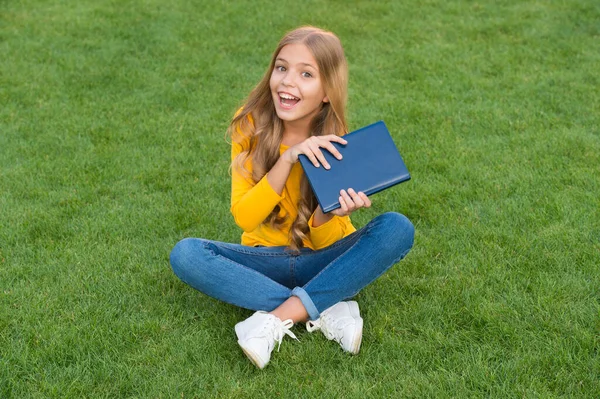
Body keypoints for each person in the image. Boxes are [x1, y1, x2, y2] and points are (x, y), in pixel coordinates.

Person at [169, 26, 414, 369]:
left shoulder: (334, 140)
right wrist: (288, 159)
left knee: (396, 228)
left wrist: (329, 214)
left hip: (320, 258)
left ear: (327, 91)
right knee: (187, 254)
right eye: (281, 68)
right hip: (264, 262)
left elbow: (327, 238)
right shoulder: (250, 127)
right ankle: (326, 304)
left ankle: (275, 318)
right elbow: (245, 217)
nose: (287, 81)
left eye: (306, 74)